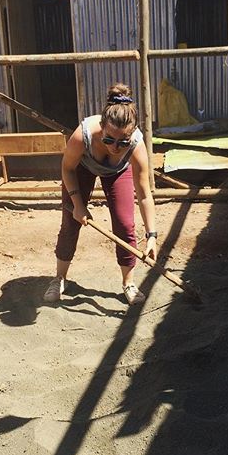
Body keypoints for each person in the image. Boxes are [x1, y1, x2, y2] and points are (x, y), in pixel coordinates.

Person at [44, 83, 158, 306]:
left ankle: (128, 282)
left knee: (125, 225)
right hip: (82, 168)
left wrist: (152, 235)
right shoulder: (83, 134)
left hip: (117, 172)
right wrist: (78, 204)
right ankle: (59, 278)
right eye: (109, 140)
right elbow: (67, 168)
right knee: (70, 222)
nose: (115, 147)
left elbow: (144, 194)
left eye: (122, 142)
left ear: (131, 135)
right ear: (102, 126)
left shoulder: (136, 144)